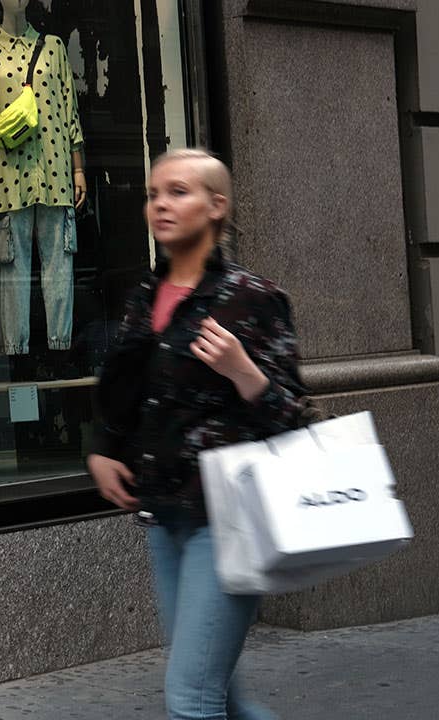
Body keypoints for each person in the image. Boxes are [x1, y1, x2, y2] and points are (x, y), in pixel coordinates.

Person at [88, 148, 306, 720]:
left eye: (178, 192)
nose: (160, 204)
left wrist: (242, 370)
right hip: (164, 513)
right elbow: (127, 394)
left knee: (192, 697)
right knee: (221, 694)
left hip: (228, 518)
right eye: (154, 193)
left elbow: (295, 419)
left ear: (217, 207)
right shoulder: (143, 297)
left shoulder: (253, 299)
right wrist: (104, 449)